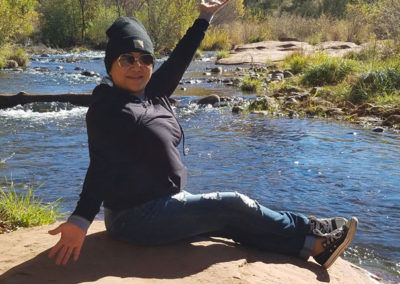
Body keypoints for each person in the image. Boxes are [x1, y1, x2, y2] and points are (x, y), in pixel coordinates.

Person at [48, 0, 358, 270]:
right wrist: (81, 219)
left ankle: (312, 248)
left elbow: (181, 58)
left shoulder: (152, 92)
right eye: (127, 59)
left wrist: (204, 17)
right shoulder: (108, 107)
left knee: (231, 222)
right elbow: (102, 163)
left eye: (145, 59)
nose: (137, 66)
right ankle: (312, 228)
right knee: (233, 203)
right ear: (110, 65)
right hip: (135, 217)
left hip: (164, 203)